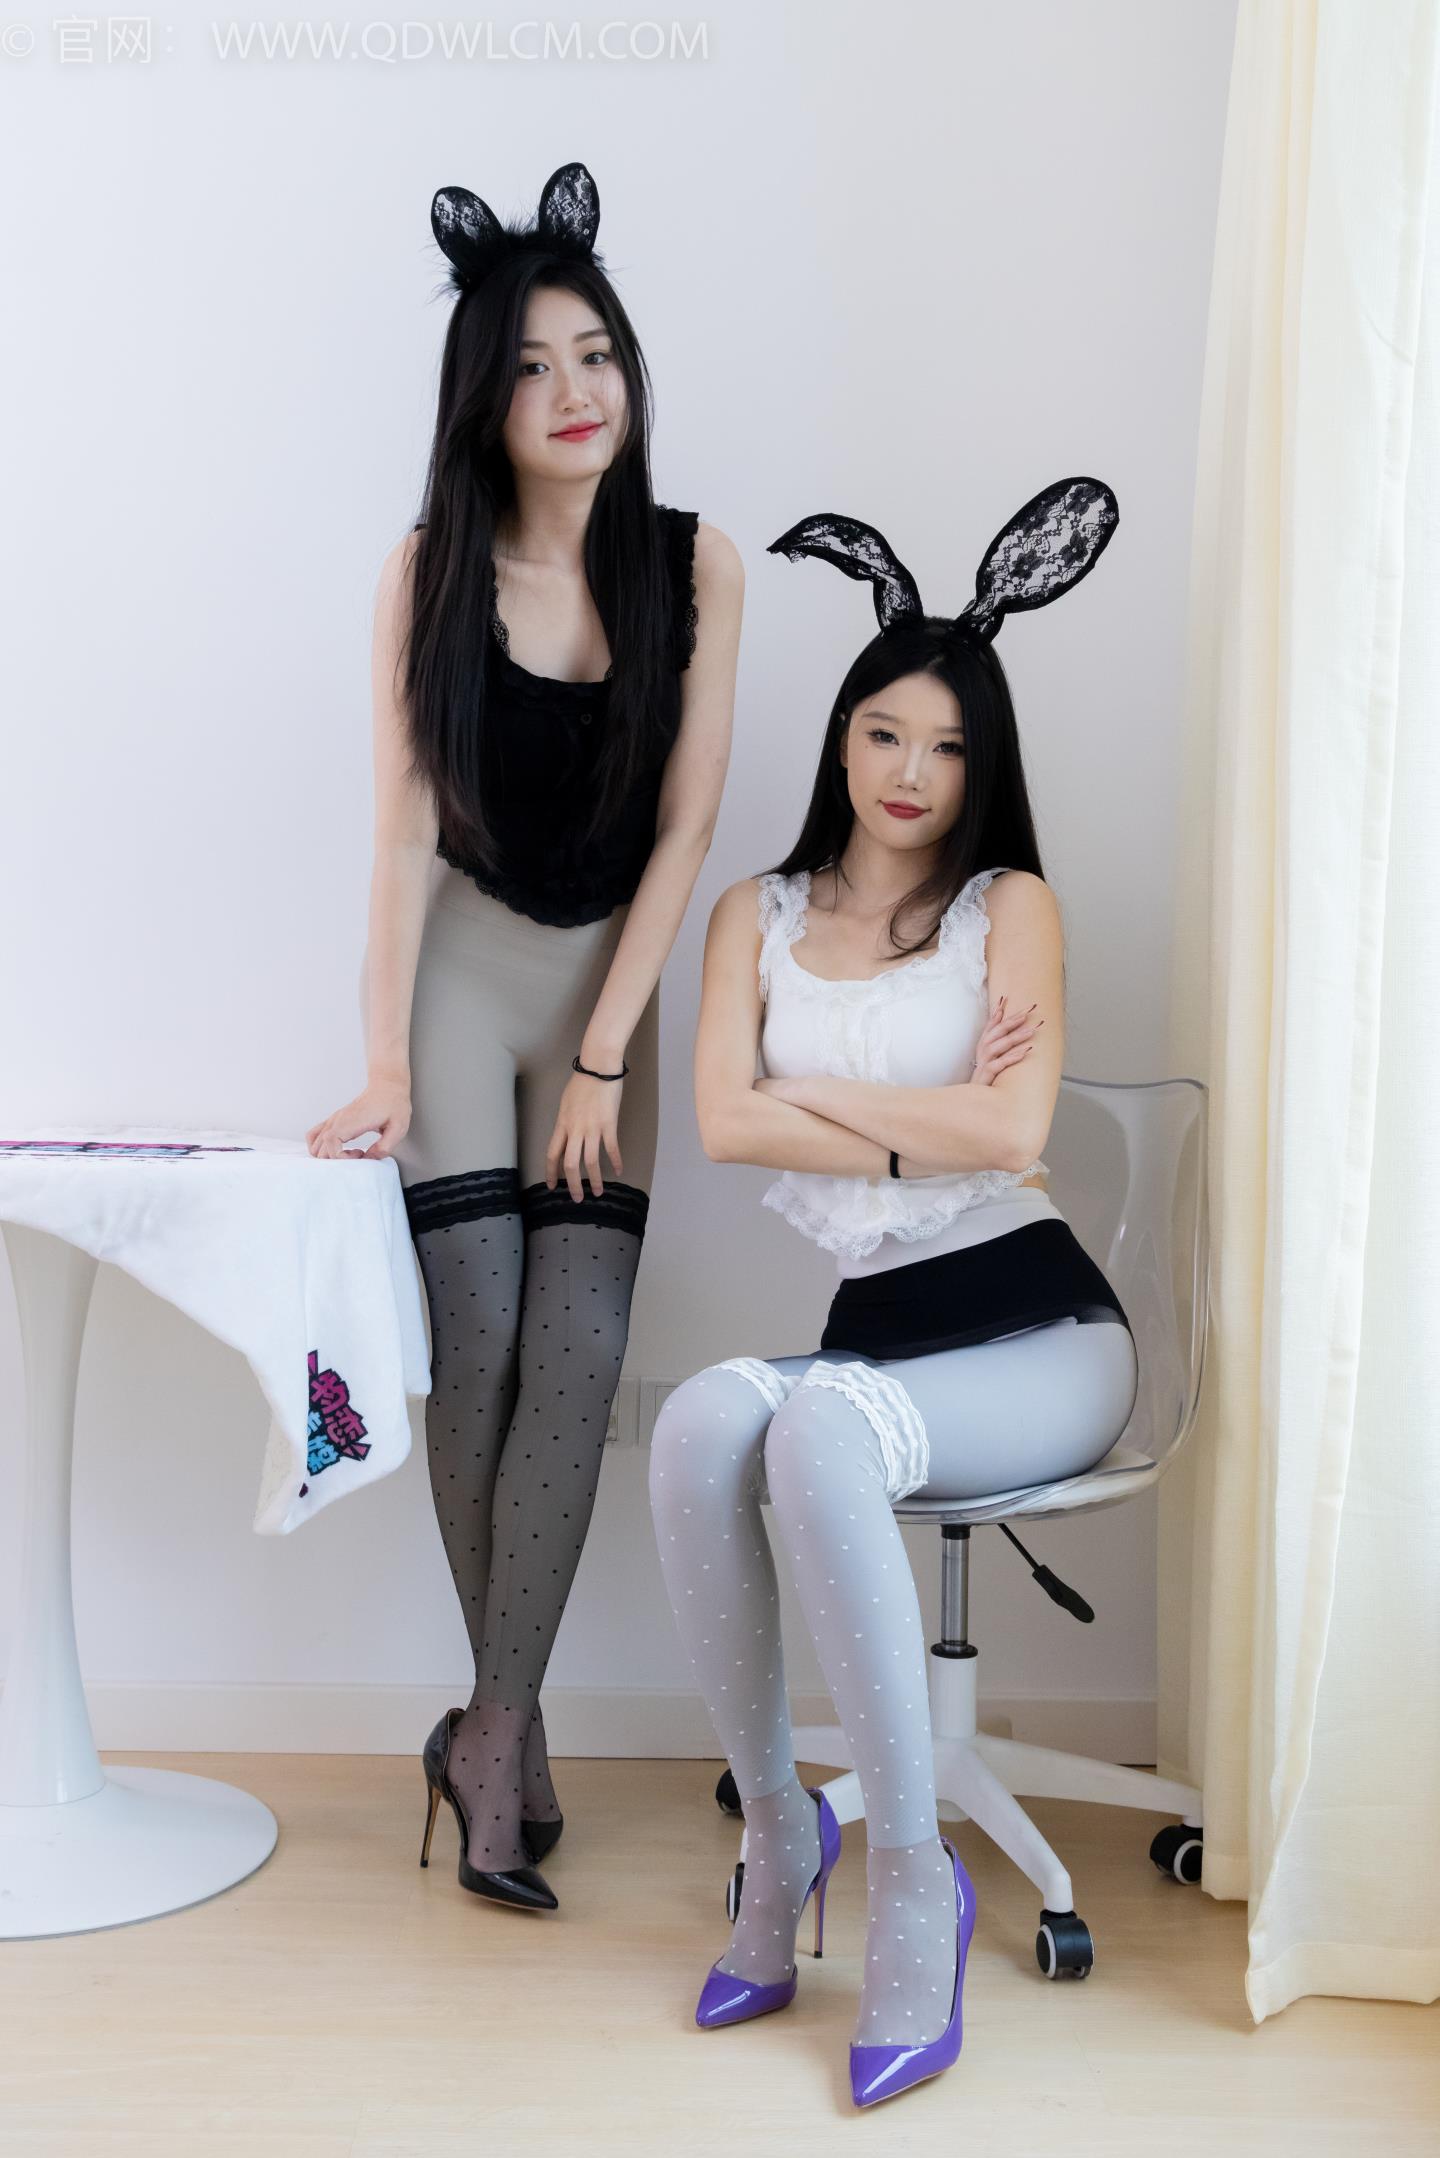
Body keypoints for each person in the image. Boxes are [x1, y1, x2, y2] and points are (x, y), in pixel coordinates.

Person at [648, 479, 1138, 2106]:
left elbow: (1013, 1134)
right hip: (882, 1333)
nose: (911, 771)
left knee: (817, 1434)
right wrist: (923, 1116)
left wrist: (817, 1094)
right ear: (843, 737)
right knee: (701, 1421)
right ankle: (781, 1830)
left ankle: (916, 1879)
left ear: (982, 767)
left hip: (1038, 1324)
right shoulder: (756, 915)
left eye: (946, 747)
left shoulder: (1012, 908)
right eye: (884, 733)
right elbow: (723, 1120)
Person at [306, 163, 742, 1913]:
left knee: (580, 1347)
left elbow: (688, 830)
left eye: (599, 355)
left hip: (602, 996)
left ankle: (486, 1722)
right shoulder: (429, 571)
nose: (577, 391)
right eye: (536, 367)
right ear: (483, 404)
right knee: (480, 1336)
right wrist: (387, 1060)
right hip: (461, 983)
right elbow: (403, 829)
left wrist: (610, 1053)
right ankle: (506, 1732)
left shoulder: (695, 565)